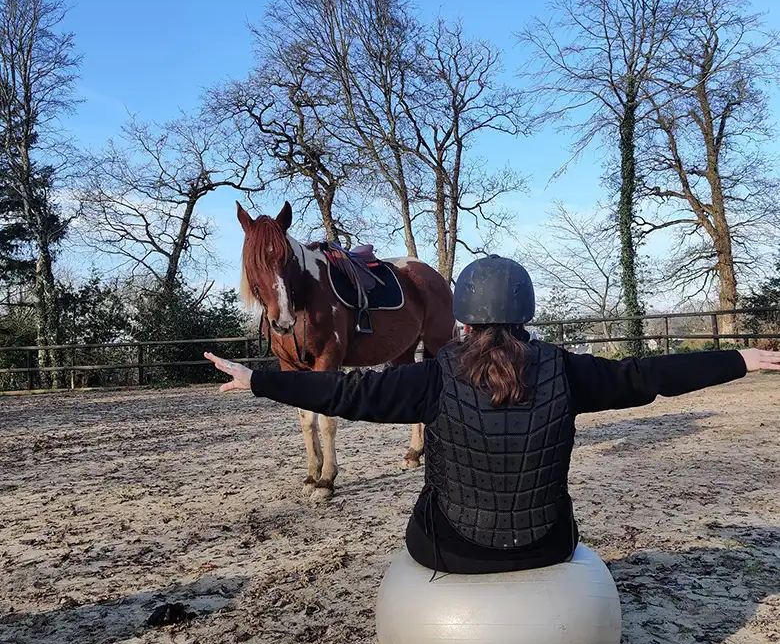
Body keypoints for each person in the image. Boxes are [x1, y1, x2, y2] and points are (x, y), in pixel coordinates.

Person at [205, 255, 780, 576]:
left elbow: (345, 393)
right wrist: (738, 357)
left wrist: (260, 380)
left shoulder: (431, 377)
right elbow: (644, 377)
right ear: (527, 313)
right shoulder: (565, 369)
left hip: (448, 552)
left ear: (463, 321)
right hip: (547, 546)